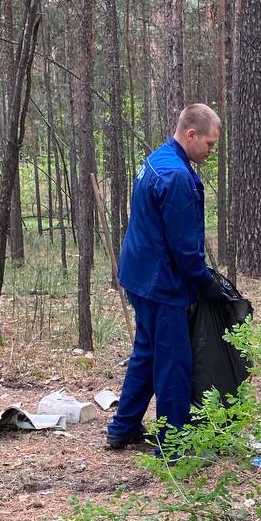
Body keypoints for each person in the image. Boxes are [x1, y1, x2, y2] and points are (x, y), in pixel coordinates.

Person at [106, 103, 227, 455]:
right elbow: (183, 247)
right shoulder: (175, 177)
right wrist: (204, 283)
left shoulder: (156, 160)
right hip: (161, 283)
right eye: (209, 144)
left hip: (139, 274)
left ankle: (123, 426)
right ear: (191, 134)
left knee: (146, 351)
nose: (211, 152)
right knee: (174, 360)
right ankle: (175, 444)